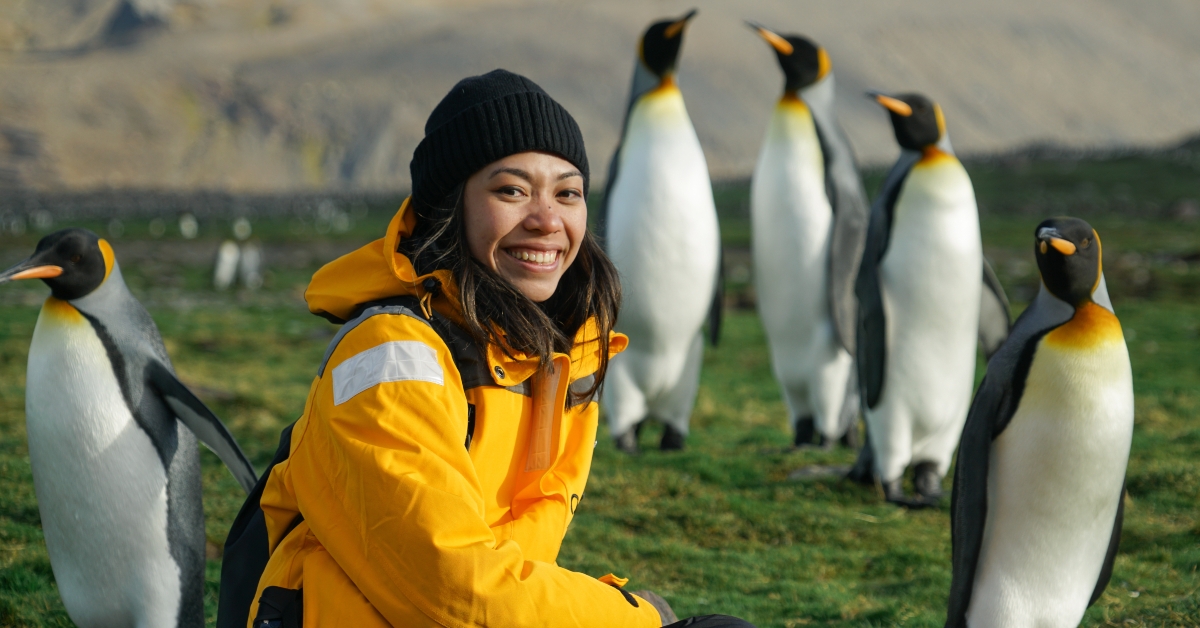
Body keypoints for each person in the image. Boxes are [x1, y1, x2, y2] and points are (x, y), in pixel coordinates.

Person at [247, 69, 754, 628]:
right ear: (449, 206)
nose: (547, 220)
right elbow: (453, 590)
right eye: (511, 190)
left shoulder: (557, 355)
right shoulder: (392, 355)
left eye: (568, 193)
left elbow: (510, 568)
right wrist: (637, 617)